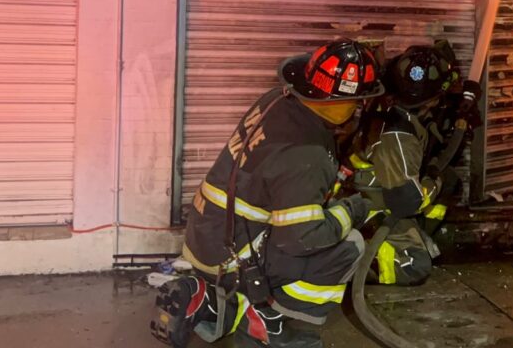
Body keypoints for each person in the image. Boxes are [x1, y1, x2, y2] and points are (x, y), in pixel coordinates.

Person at [151, 38, 384, 348]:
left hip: (205, 239)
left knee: (293, 235)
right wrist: (355, 209)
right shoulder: (307, 153)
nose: (359, 108)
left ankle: (208, 299)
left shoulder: (275, 100)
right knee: (347, 246)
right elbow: (303, 238)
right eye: (358, 101)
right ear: (341, 104)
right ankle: (273, 329)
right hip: (235, 258)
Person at [351, 42, 475, 285]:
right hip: (372, 204)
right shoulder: (399, 135)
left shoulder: (396, 106)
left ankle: (414, 234)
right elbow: (407, 202)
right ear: (432, 99)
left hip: (382, 188)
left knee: (449, 181)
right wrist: (433, 180)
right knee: (414, 266)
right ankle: (349, 258)